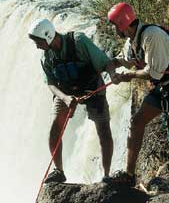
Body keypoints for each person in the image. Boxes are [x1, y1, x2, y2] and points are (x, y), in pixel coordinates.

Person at [106, 2, 169, 197]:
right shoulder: (132, 41)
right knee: (137, 122)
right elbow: (119, 60)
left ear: (123, 24)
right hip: (164, 87)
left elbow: (154, 72)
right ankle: (129, 175)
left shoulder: (151, 36)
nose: (114, 30)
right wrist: (111, 70)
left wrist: (130, 75)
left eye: (114, 25)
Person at [28, 18, 124, 184]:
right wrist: (65, 98)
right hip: (65, 93)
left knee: (104, 130)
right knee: (54, 130)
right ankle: (59, 171)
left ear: (48, 36)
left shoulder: (79, 42)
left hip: (92, 89)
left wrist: (113, 74)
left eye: (38, 42)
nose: (37, 46)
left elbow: (105, 63)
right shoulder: (46, 57)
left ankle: (106, 176)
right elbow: (50, 83)